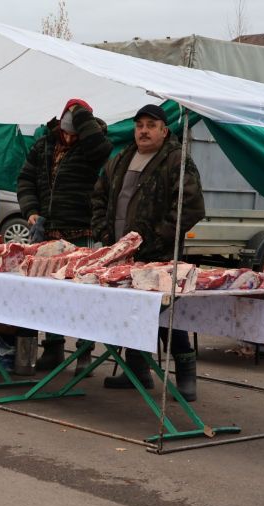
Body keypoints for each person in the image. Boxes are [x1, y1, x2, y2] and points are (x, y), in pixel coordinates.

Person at [91, 103, 205, 401]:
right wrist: (106, 235)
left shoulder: (177, 160)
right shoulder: (120, 159)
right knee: (132, 312)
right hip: (121, 256)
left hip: (160, 256)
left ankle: (186, 373)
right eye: (139, 124)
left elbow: (190, 207)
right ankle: (137, 371)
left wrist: (155, 239)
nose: (143, 130)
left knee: (167, 314)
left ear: (164, 131)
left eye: (151, 125)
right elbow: (99, 197)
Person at [17, 98, 113, 376]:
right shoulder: (44, 144)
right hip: (48, 231)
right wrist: (31, 210)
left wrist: (82, 115)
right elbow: (26, 179)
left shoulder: (93, 145)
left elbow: (101, 151)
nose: (69, 137)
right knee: (49, 293)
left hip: (82, 232)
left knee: (82, 294)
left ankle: (84, 352)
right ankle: (54, 346)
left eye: (75, 132)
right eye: (66, 131)